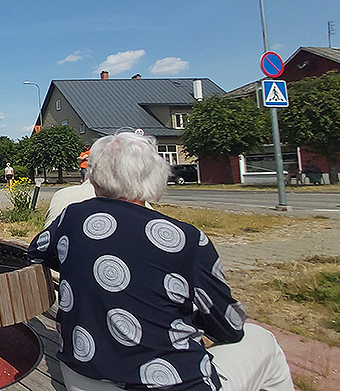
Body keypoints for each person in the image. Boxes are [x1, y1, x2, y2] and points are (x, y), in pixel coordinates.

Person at [28, 132, 292, 391]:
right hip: (170, 382)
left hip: (82, 377)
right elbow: (229, 328)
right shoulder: (187, 239)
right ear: (156, 178)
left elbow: (36, 252)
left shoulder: (73, 217)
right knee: (263, 341)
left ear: (95, 180)